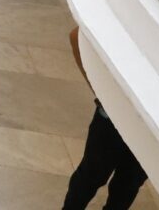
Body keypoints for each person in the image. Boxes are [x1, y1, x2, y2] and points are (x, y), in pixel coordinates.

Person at [62, 27, 150, 210]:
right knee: (94, 178)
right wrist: (101, 92)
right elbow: (77, 36)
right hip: (114, 118)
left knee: (127, 183)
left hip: (148, 128)